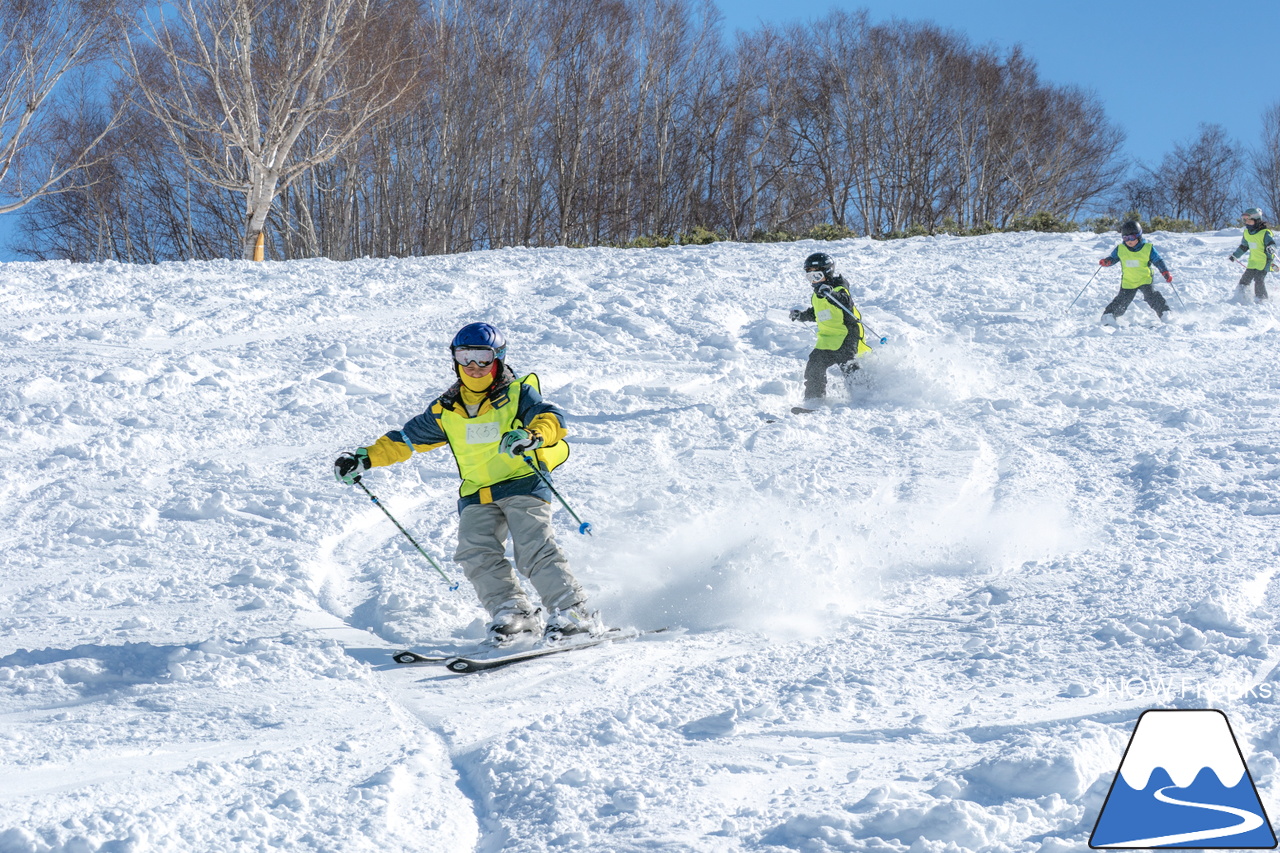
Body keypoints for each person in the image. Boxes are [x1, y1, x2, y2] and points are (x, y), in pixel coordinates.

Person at [333, 322, 601, 645]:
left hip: (523, 483)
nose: (473, 367)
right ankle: (513, 612)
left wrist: (532, 435)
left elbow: (552, 418)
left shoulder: (516, 394)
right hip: (477, 493)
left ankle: (572, 612)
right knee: (474, 550)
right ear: (455, 360)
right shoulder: (446, 409)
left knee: (532, 547)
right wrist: (364, 458)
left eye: (483, 357)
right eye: (465, 356)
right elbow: (404, 440)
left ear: (497, 360)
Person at [788, 251, 872, 410]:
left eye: (817, 276)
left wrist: (831, 293)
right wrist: (802, 316)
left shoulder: (840, 288)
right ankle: (814, 400)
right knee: (814, 367)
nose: (814, 281)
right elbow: (817, 313)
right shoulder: (816, 295)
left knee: (848, 366)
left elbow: (845, 301)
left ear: (827, 273)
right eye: (810, 277)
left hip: (846, 336)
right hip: (827, 339)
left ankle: (864, 397)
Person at [1098, 220, 1173, 326]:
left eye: (1132, 237)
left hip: (1145, 279)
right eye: (1125, 238)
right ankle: (1108, 316)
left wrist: (1165, 272)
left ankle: (1165, 313)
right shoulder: (1121, 249)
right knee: (1122, 300)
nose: (1129, 241)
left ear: (1139, 235)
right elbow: (1113, 259)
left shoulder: (1148, 248)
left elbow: (1158, 260)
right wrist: (1107, 262)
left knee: (1152, 297)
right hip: (1129, 281)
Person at [1229, 206, 1275, 301]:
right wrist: (1235, 255)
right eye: (1245, 221)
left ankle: (1262, 299)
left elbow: (1272, 243)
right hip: (1253, 262)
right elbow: (1243, 247)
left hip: (1264, 261)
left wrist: (1271, 248)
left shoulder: (1264, 233)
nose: (1247, 224)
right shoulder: (1247, 233)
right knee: (1244, 280)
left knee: (1258, 279)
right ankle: (1240, 297)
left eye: (1249, 221)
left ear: (1257, 221)